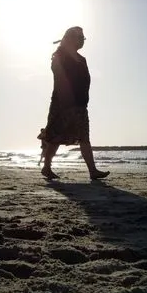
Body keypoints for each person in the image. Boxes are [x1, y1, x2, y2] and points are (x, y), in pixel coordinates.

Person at [38, 26, 110, 180]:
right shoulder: (59, 56)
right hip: (62, 103)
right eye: (80, 36)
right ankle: (46, 167)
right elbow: (59, 77)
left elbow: (86, 80)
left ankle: (92, 171)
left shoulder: (82, 59)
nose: (82, 40)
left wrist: (83, 99)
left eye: (83, 37)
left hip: (80, 104)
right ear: (71, 38)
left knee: (84, 137)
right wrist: (66, 99)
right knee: (55, 137)